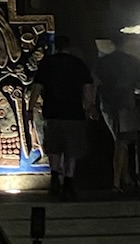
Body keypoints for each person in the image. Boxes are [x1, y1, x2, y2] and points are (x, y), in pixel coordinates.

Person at [29, 35, 96, 198]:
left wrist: (29, 109)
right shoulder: (79, 64)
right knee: (71, 150)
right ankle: (68, 181)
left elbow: (36, 88)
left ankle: (54, 179)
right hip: (74, 113)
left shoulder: (47, 64)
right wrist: (89, 108)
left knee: (54, 148)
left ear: (56, 46)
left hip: (52, 113)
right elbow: (88, 89)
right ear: (69, 46)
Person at [94, 39, 140, 190]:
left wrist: (92, 104)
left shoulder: (103, 62)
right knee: (122, 141)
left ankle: (125, 177)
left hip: (107, 104)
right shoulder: (133, 61)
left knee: (119, 140)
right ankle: (118, 180)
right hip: (126, 103)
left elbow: (95, 83)